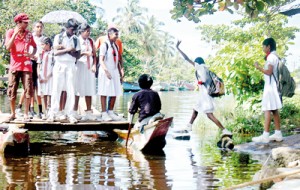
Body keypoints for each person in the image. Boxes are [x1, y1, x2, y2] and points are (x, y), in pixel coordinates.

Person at [176, 40, 232, 135]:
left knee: (209, 115)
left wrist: (178, 48)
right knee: (195, 109)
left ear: (197, 63)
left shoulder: (200, 68)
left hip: (205, 97)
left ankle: (225, 130)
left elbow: (186, 58)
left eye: (194, 63)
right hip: (203, 96)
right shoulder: (205, 70)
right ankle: (189, 126)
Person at [47, 18, 81, 123]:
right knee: (56, 89)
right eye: (71, 29)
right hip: (60, 64)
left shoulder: (76, 39)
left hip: (71, 65)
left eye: (75, 29)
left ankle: (70, 114)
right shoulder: (59, 37)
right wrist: (68, 49)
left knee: (71, 90)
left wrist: (68, 51)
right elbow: (55, 52)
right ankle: (53, 113)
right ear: (67, 28)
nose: (73, 31)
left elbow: (78, 55)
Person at [5, 13, 37, 122]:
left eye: (27, 22)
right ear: (18, 22)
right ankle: (13, 113)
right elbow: (8, 47)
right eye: (25, 22)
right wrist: (15, 34)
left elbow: (35, 46)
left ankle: (26, 114)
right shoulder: (10, 32)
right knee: (12, 89)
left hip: (26, 65)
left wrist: (32, 55)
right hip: (15, 64)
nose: (27, 24)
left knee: (28, 88)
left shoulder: (29, 34)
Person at [252, 38, 283, 143]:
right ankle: (278, 133)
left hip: (270, 87)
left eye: (263, 46)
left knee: (267, 110)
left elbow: (269, 72)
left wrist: (258, 67)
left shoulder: (270, 57)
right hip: (273, 86)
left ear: (268, 46)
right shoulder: (275, 56)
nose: (262, 48)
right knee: (274, 110)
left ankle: (265, 135)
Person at [15, 21, 44, 119]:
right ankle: (22, 107)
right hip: (30, 62)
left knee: (37, 87)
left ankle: (39, 110)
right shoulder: (30, 36)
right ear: (33, 27)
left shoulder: (44, 39)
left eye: (40, 27)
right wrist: (31, 56)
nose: (39, 28)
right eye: (37, 26)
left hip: (40, 64)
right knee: (29, 86)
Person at [97, 27, 123, 121]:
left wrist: (120, 71)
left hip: (114, 70)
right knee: (104, 91)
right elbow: (101, 60)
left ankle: (110, 112)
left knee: (115, 91)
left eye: (117, 34)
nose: (117, 36)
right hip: (106, 70)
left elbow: (118, 60)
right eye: (115, 34)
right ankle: (104, 113)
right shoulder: (104, 45)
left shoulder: (116, 45)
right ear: (109, 34)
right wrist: (106, 71)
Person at [73, 23, 97, 121]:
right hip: (79, 66)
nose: (88, 33)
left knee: (89, 88)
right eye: (87, 31)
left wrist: (94, 64)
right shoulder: (77, 40)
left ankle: (88, 112)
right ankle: (74, 111)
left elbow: (95, 55)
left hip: (89, 67)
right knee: (77, 89)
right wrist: (83, 53)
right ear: (81, 31)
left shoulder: (91, 41)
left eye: (89, 31)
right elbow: (74, 55)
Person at [37, 37, 54, 119]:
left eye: (43, 44)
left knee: (50, 93)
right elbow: (38, 64)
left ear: (48, 44)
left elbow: (54, 65)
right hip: (42, 75)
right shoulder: (41, 53)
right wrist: (39, 76)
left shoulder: (53, 53)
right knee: (43, 93)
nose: (42, 46)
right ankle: (45, 111)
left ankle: (50, 110)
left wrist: (48, 76)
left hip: (50, 76)